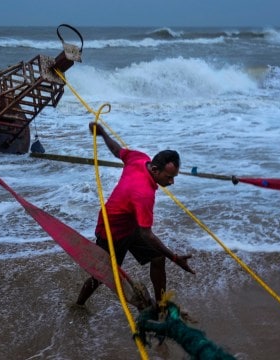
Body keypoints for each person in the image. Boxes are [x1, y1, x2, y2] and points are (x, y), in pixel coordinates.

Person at [76, 122, 195, 307]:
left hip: (131, 224)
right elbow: (147, 234)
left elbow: (118, 151)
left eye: (174, 177)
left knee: (157, 257)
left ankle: (161, 305)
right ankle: (79, 304)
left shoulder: (140, 158)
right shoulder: (144, 195)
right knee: (102, 275)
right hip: (111, 231)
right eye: (169, 177)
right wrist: (175, 258)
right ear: (155, 170)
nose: (172, 182)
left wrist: (103, 133)